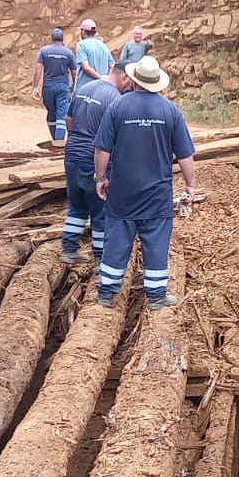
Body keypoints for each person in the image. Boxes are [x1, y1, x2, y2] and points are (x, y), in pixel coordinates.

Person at [92, 55, 197, 312]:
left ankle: (106, 294)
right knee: (156, 245)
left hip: (123, 191)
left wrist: (101, 177)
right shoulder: (170, 111)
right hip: (157, 194)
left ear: (135, 80)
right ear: (157, 83)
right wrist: (189, 185)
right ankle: (157, 297)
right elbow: (185, 155)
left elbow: (102, 149)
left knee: (116, 242)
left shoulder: (118, 107)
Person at [60, 60, 132, 264]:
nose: (131, 87)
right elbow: (115, 136)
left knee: (77, 205)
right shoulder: (115, 99)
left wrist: (75, 137)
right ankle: (100, 260)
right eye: (130, 82)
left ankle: (69, 248)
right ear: (124, 77)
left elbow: (68, 119)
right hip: (92, 159)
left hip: (72, 155)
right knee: (100, 210)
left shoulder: (85, 87)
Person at [33, 27, 75, 143]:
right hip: (62, 87)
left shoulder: (44, 51)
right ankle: (59, 140)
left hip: (48, 88)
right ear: (62, 39)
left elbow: (38, 69)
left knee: (51, 113)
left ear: (51, 39)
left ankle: (54, 138)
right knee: (61, 114)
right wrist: (74, 86)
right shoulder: (68, 53)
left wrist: (35, 87)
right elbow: (74, 72)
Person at [74, 19, 114, 87]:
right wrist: (106, 79)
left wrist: (100, 78)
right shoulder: (103, 46)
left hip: (85, 87)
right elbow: (112, 66)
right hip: (101, 87)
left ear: (83, 31)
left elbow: (86, 67)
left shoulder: (81, 45)